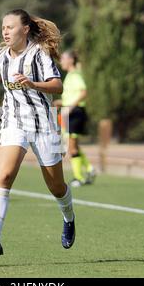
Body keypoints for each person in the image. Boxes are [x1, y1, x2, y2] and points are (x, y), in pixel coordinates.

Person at [0, 9, 76, 257]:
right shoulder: (0, 55)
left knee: (56, 186)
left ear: (25, 29)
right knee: (4, 176)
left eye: (10, 27)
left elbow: (57, 85)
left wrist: (32, 83)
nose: (5, 31)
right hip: (12, 122)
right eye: (3, 27)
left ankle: (68, 218)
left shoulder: (39, 53)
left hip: (43, 125)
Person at [55, 50, 96, 188]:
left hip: (74, 113)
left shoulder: (75, 75)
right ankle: (89, 169)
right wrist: (60, 103)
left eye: (63, 59)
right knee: (73, 145)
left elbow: (83, 92)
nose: (61, 62)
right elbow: (71, 96)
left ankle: (78, 178)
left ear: (71, 60)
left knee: (71, 147)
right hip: (69, 112)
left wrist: (70, 107)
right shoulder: (69, 76)